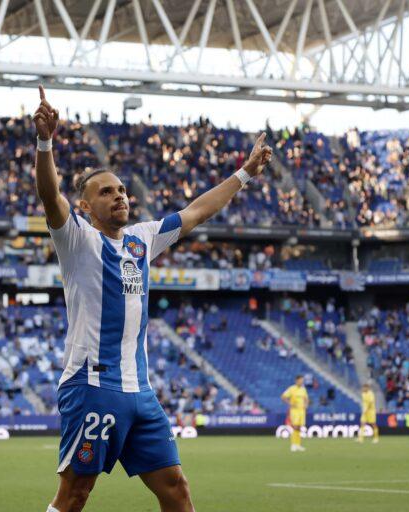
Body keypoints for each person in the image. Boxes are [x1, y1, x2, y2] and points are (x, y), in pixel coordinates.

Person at [33, 85, 271, 512]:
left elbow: (199, 211)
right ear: (86, 207)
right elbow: (50, 195)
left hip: (140, 392)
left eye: (121, 189)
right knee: (74, 496)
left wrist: (245, 173)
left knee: (176, 489)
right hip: (93, 385)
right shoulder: (77, 239)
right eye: (106, 192)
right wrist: (45, 142)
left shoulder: (143, 239)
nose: (119, 195)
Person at [282, 375, 308, 452]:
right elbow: (283, 397)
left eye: (302, 380)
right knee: (295, 427)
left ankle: (298, 445)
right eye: (300, 380)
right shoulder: (292, 389)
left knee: (299, 427)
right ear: (296, 380)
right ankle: (293, 445)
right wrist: (290, 403)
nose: (302, 382)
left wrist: (306, 404)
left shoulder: (303, 389)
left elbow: (306, 398)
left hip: (302, 411)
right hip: (294, 411)